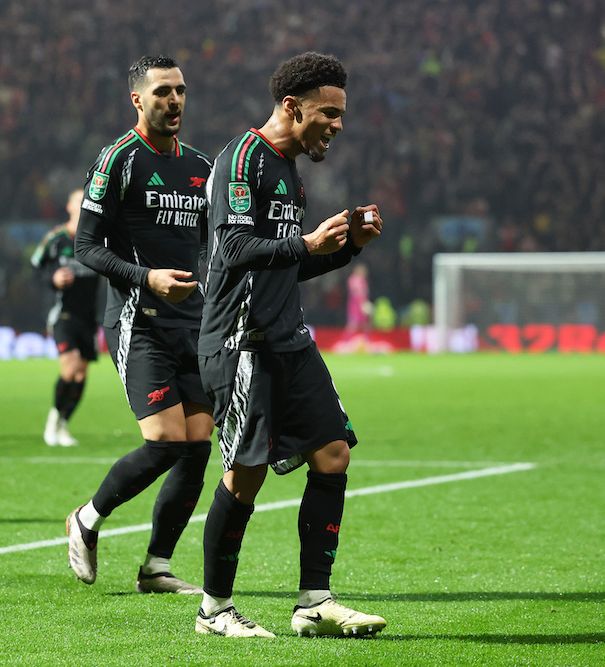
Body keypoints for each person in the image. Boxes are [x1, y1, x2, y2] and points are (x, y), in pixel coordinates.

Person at [195, 52, 387, 638]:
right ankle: (214, 610)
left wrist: (345, 246)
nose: (337, 123)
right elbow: (233, 252)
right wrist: (307, 242)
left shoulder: (290, 173)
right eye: (328, 112)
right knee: (245, 476)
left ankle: (314, 602)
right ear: (291, 106)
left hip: (288, 338)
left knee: (334, 454)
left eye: (341, 114)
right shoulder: (242, 160)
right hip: (241, 341)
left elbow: (283, 267)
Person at [66, 55, 214, 594]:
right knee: (166, 440)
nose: (174, 101)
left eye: (180, 91)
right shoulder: (118, 161)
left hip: (193, 324)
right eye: (162, 93)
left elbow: (211, 246)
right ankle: (86, 518)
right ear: (138, 100)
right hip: (138, 319)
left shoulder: (201, 166)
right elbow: (85, 247)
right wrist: (146, 278)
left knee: (198, 444)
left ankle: (156, 566)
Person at [31, 189, 102, 446]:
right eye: (79, 200)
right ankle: (53, 422)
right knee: (70, 370)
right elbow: (36, 268)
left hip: (89, 316)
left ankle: (62, 425)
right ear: (70, 207)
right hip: (63, 314)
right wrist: (53, 279)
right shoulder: (56, 239)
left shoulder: (97, 238)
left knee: (81, 376)